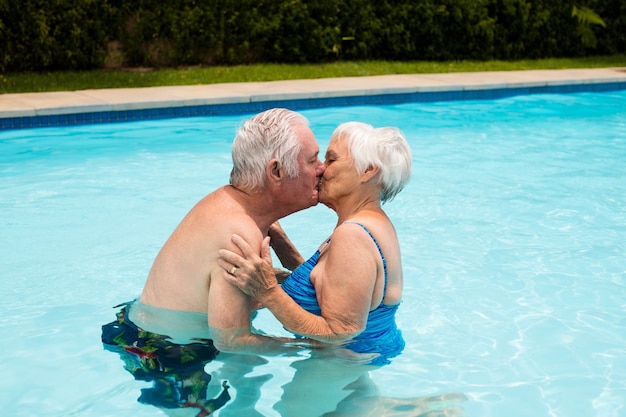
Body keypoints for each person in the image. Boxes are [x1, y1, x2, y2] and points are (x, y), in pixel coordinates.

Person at [218, 121, 412, 365]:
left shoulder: (353, 236)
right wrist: (277, 237)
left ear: (368, 171)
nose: (321, 169)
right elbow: (327, 285)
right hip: (363, 357)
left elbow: (340, 332)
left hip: (340, 364)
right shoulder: (371, 222)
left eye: (331, 160)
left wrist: (266, 290)